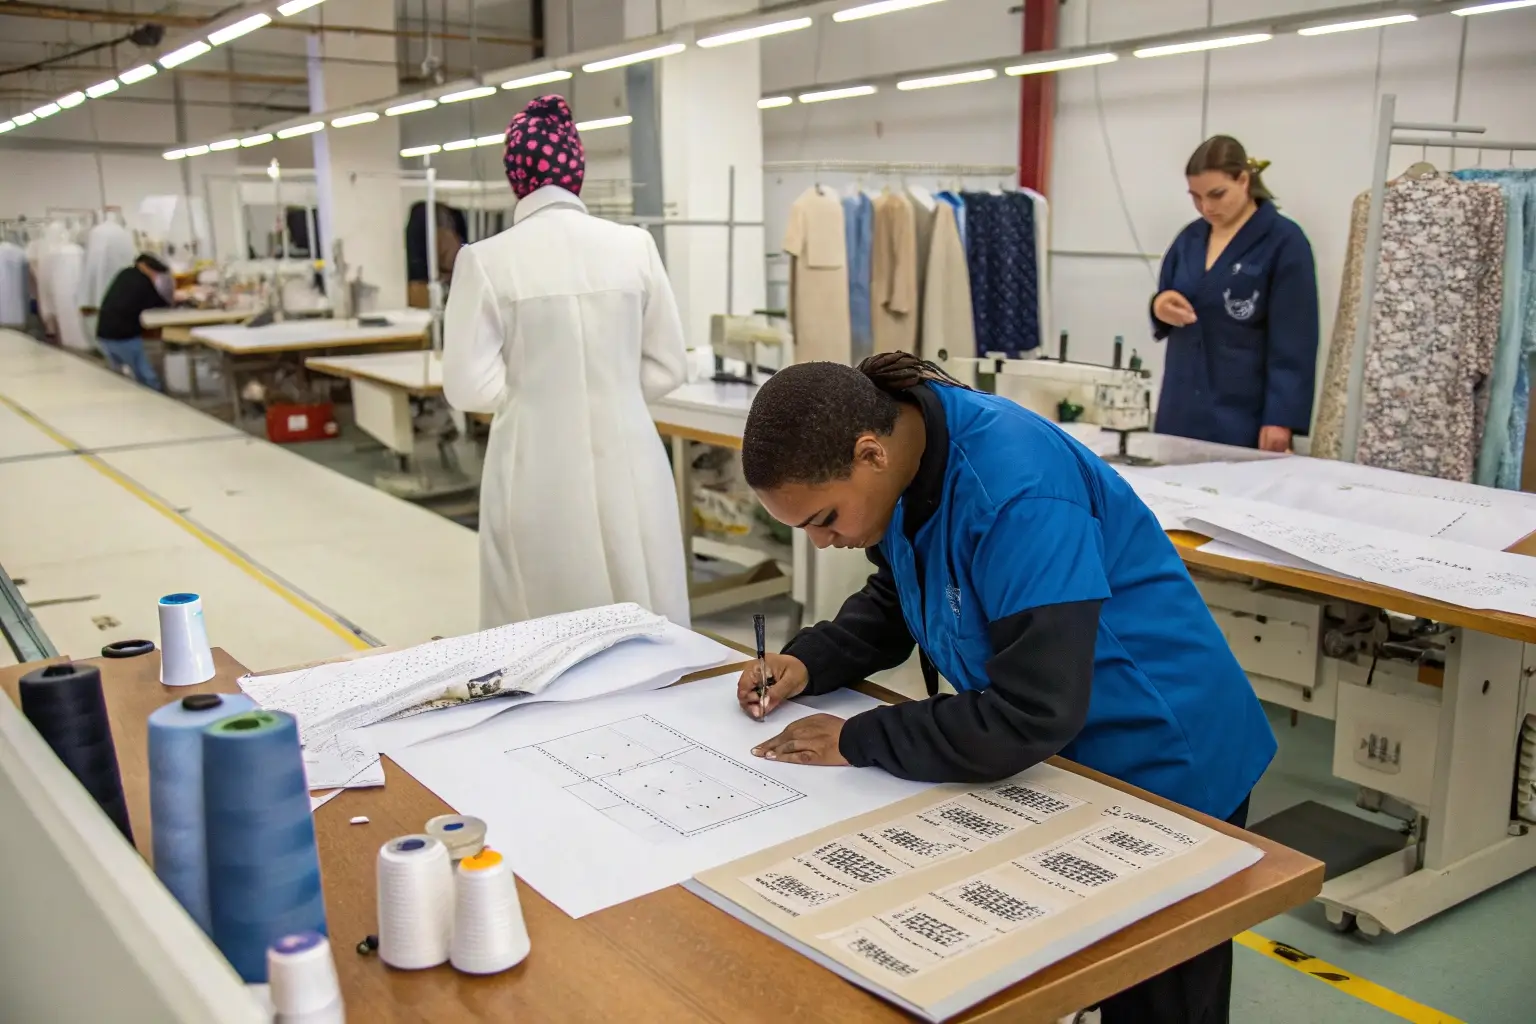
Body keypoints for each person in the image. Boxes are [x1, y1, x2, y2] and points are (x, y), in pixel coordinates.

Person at [735, 353, 1275, 1023]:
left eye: (823, 518)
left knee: (1156, 992)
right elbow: (904, 588)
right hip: (1067, 755)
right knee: (1072, 967)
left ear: (868, 453)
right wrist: (811, 662)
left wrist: (861, 738)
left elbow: (1030, 712)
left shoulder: (1016, 492)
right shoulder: (908, 455)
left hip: (1164, 754)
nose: (820, 542)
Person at [443, 94, 691, 629]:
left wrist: (530, 396)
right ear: (576, 170)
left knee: (538, 622)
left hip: (533, 463)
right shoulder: (635, 246)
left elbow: (466, 386)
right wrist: (614, 390)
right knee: (644, 607)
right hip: (632, 452)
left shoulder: (486, 260)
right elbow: (670, 365)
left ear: (516, 175)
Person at [1151, 135, 1318, 452]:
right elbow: (1166, 295)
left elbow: (1295, 340)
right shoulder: (1189, 239)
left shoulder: (1284, 242)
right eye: (1196, 197)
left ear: (1244, 180)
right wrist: (1160, 306)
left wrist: (1281, 417)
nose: (1206, 207)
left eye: (1216, 194)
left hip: (1243, 413)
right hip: (1180, 406)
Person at [95, 252, 171, 390]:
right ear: (146, 267)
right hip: (123, 336)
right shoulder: (142, 280)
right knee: (147, 377)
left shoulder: (125, 274)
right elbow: (160, 304)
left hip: (104, 334)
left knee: (119, 378)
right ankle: (157, 404)